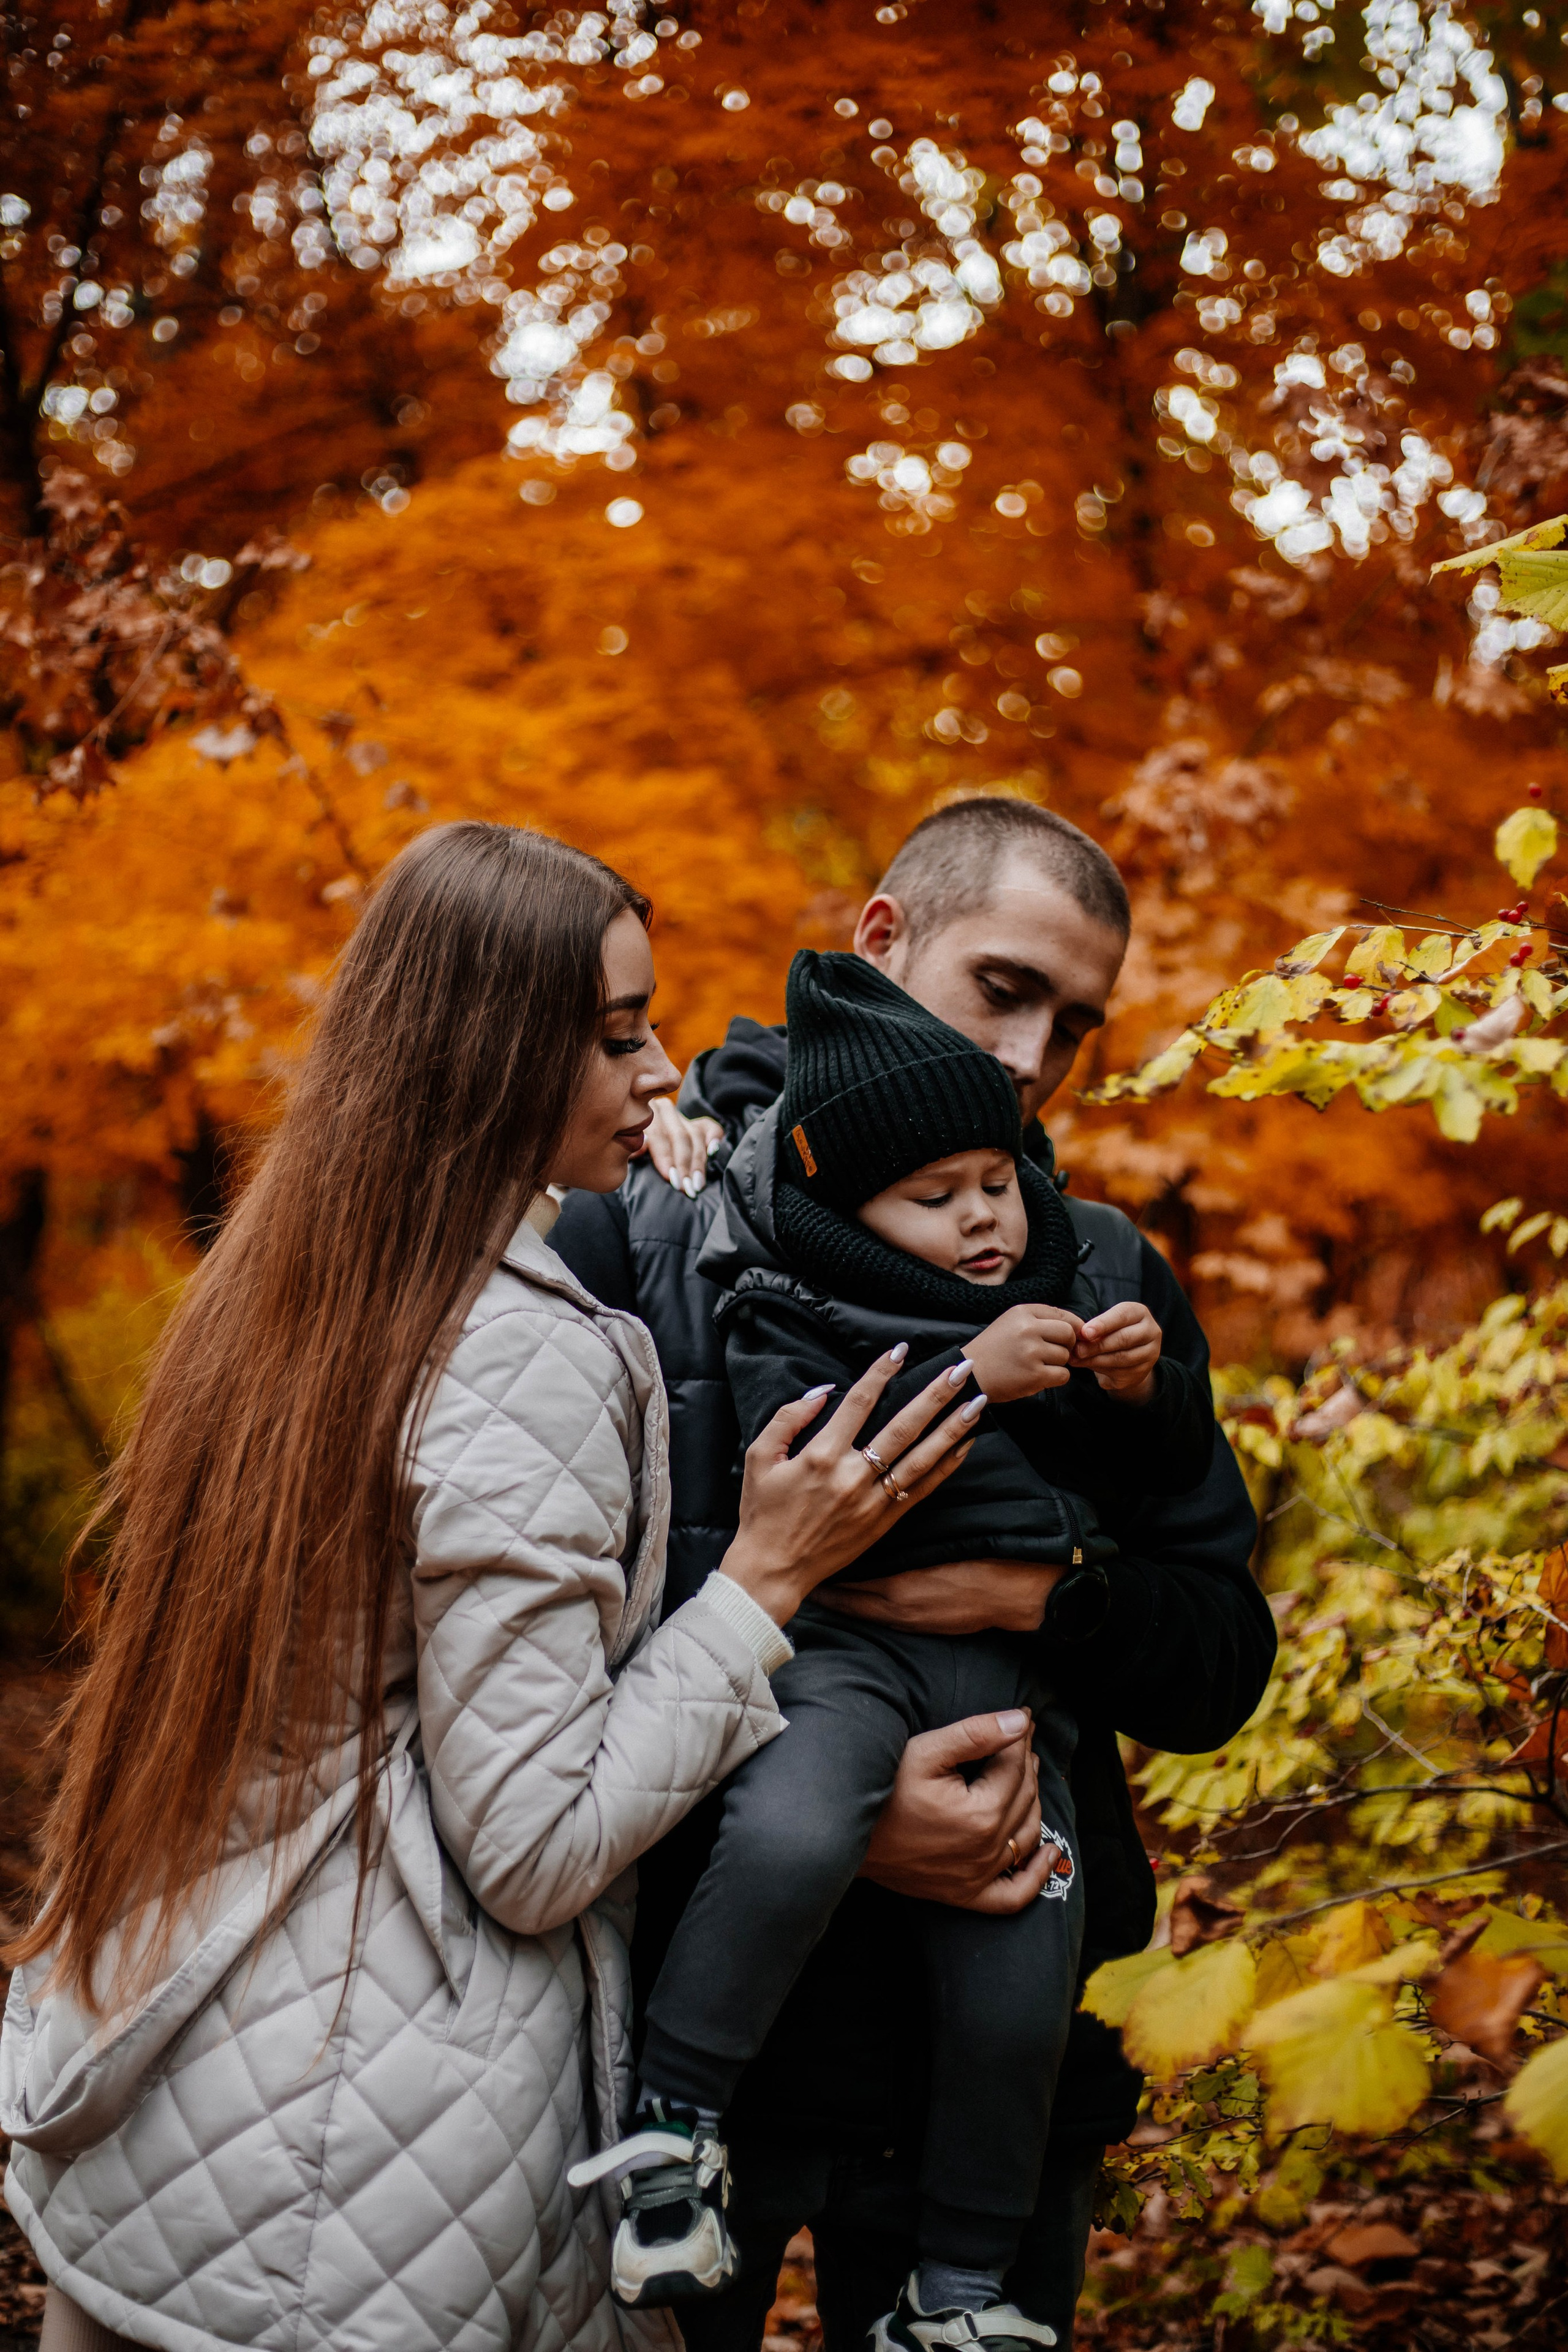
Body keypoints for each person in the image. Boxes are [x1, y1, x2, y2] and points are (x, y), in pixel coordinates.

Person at [0, 822, 978, 2352]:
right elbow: (532, 1846)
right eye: (615, 1035)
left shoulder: (283, 1283)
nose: (658, 1072)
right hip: (358, 2179)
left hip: (171, 2111)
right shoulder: (518, 1351)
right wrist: (764, 1577)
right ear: (485, 1050)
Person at [551, 799, 1276, 2348]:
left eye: (1072, 1025)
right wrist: (845, 1819)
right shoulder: (646, 1226)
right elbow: (529, 1698)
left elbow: (1218, 1659)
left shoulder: (1097, 1275)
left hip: (995, 2091)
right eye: (1002, 988)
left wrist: (1047, 1601)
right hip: (708, 2053)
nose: (1029, 1058)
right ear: (880, 937)